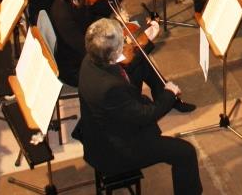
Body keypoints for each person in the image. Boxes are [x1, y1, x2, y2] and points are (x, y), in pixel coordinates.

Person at [75, 18, 202, 195]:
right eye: (123, 41)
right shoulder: (109, 88)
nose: (127, 42)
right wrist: (169, 94)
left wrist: (145, 43)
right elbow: (145, 116)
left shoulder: (90, 59)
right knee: (185, 152)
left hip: (97, 131)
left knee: (140, 67)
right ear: (114, 52)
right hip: (115, 151)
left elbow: (125, 67)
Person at [49, 0, 138, 86]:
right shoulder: (62, 14)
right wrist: (116, 26)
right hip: (78, 66)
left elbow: (104, 9)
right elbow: (86, 49)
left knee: (136, 57)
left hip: (91, 45)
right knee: (133, 62)